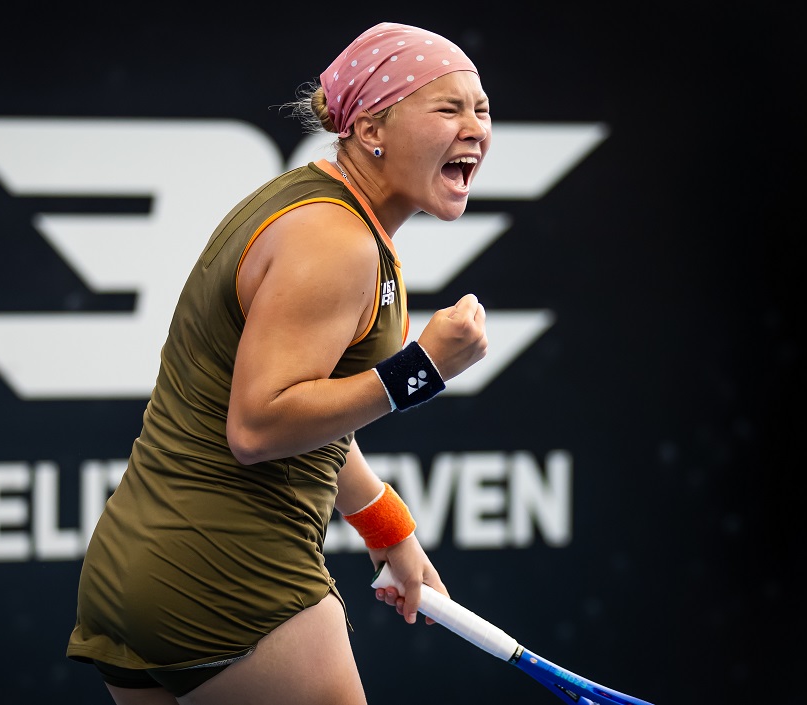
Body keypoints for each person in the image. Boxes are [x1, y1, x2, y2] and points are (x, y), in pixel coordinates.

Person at [66, 21, 492, 705]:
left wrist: (387, 527)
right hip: (228, 580)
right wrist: (423, 370)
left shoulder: (312, 206)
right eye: (448, 108)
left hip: (134, 573)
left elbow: (311, 409)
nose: (475, 129)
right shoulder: (337, 241)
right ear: (371, 129)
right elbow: (259, 427)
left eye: (482, 110)